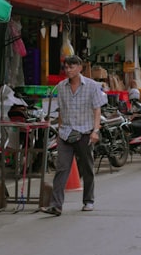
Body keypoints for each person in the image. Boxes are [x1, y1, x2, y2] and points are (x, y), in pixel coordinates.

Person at [40, 55, 107, 216]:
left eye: (72, 67)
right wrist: (60, 130)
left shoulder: (91, 86)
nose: (68, 70)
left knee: (87, 167)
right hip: (66, 133)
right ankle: (56, 205)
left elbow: (97, 109)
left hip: (85, 132)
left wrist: (95, 131)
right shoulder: (61, 87)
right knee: (61, 168)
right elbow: (61, 110)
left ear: (80, 68)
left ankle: (88, 200)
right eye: (66, 68)